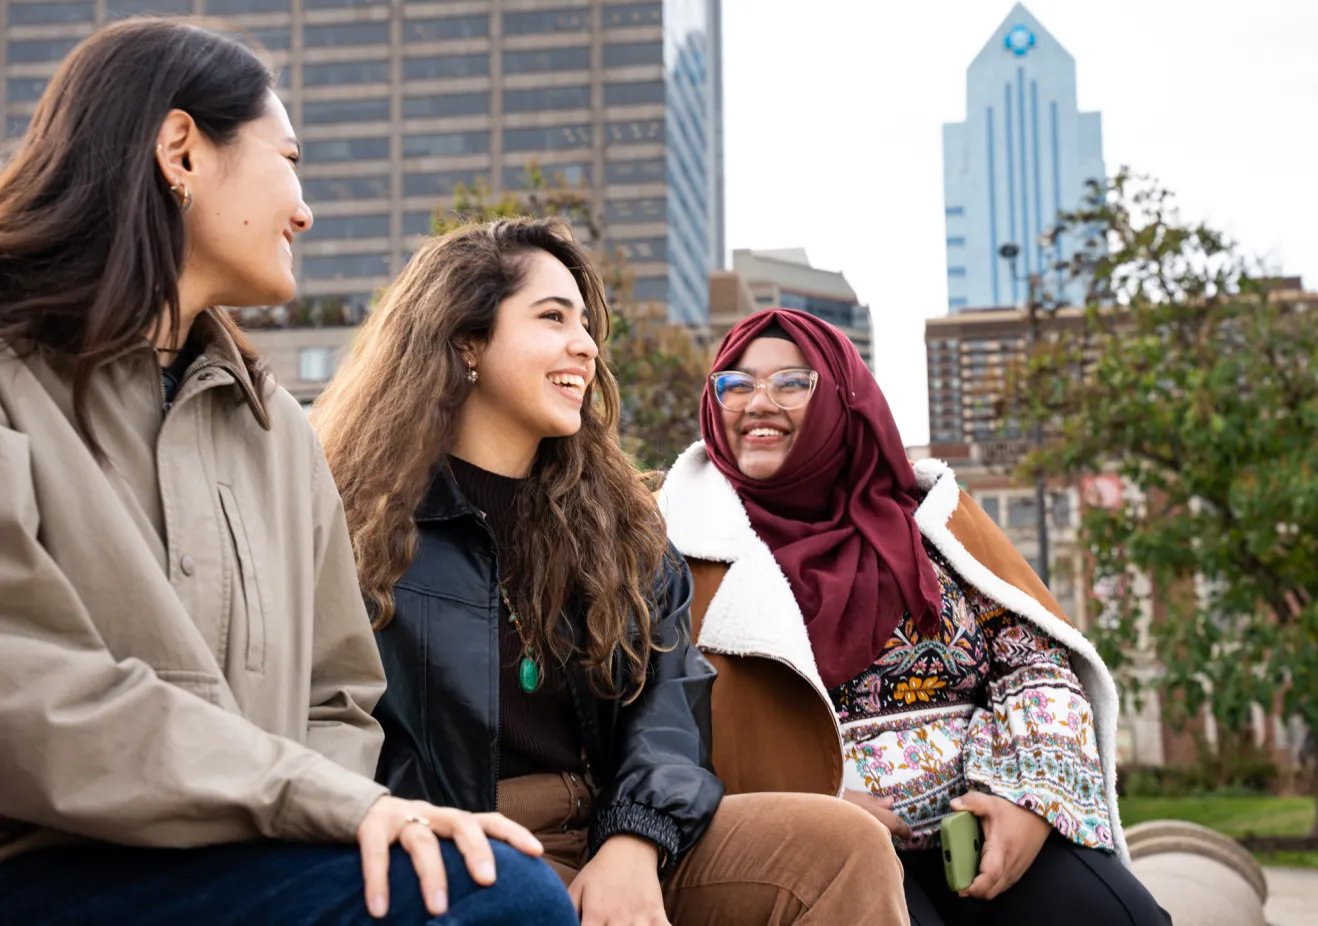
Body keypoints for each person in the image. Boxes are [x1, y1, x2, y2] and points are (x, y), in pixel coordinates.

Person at [0, 19, 575, 926]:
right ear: (182, 150)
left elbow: (338, 698)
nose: (305, 210)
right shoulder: (11, 380)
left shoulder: (279, 434)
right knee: (503, 902)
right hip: (46, 863)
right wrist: (317, 801)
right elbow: (24, 689)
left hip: (253, 858)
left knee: (479, 874)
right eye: (290, 159)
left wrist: (340, 818)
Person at [312, 217, 910, 925]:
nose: (586, 345)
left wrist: (635, 839)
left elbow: (669, 703)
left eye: (587, 324)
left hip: (613, 826)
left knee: (842, 847)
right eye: (552, 317)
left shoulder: (619, 523)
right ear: (467, 340)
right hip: (459, 843)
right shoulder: (356, 523)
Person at [658, 308, 1170, 926]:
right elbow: (656, 719)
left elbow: (1034, 664)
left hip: (984, 822)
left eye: (792, 382)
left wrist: (1029, 799)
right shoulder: (676, 543)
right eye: (735, 384)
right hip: (820, 852)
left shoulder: (931, 521)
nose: (758, 402)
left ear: (842, 399)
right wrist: (811, 810)